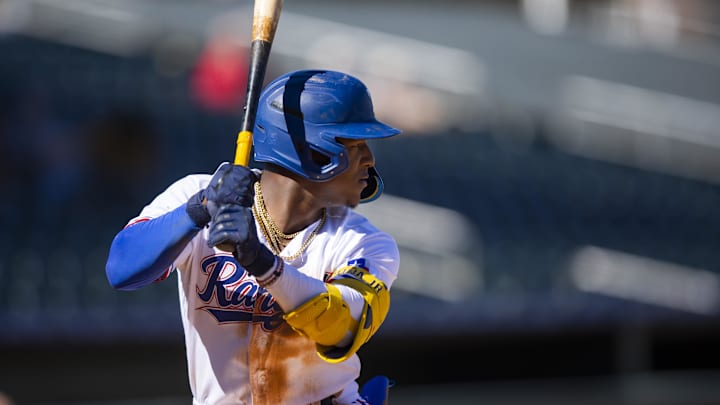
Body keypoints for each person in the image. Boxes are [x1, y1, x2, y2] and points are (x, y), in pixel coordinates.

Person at [105, 69, 401, 405]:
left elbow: (339, 328)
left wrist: (262, 263)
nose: (369, 160)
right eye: (355, 144)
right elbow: (122, 269)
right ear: (311, 151)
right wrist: (199, 210)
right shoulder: (200, 194)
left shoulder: (364, 242)